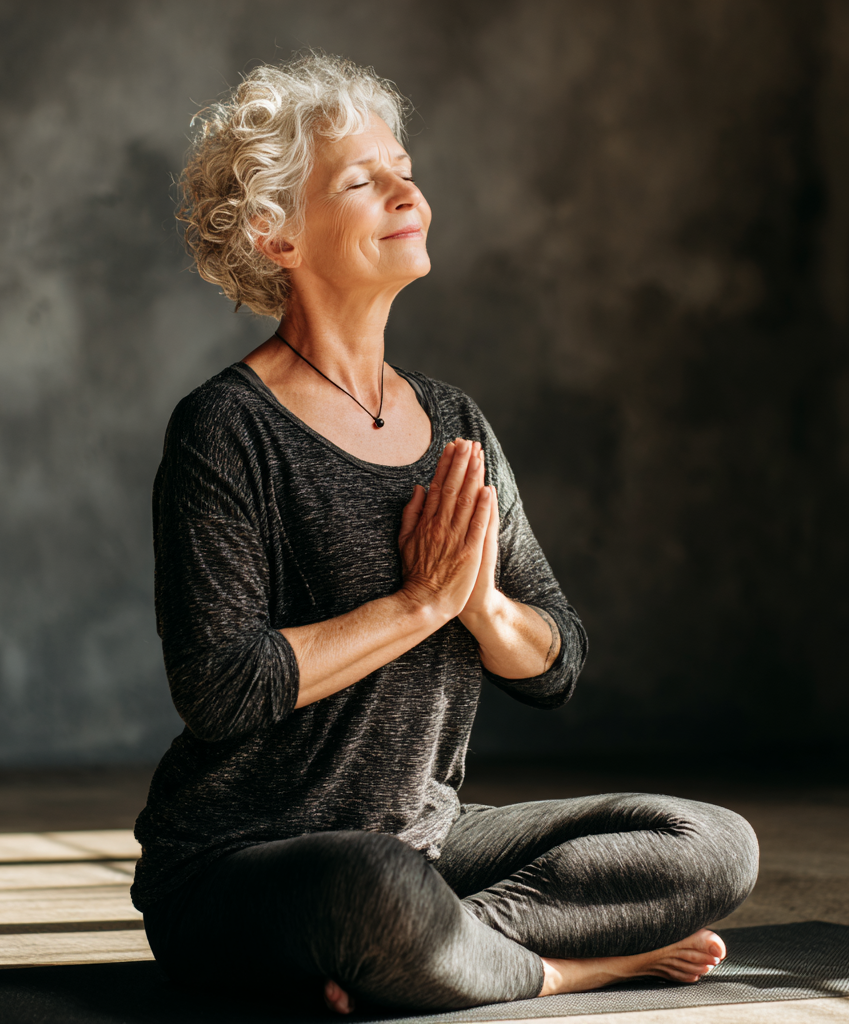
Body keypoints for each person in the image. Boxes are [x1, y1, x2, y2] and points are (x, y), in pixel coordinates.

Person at [132, 53, 758, 1014]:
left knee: (711, 844)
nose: (404, 187)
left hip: (428, 840)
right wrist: (420, 604)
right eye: (360, 179)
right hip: (242, 862)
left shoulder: (455, 423)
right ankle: (559, 967)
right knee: (371, 889)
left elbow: (556, 663)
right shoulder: (227, 430)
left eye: (402, 164)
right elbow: (223, 688)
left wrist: (479, 603)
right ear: (276, 233)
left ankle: (425, 955)